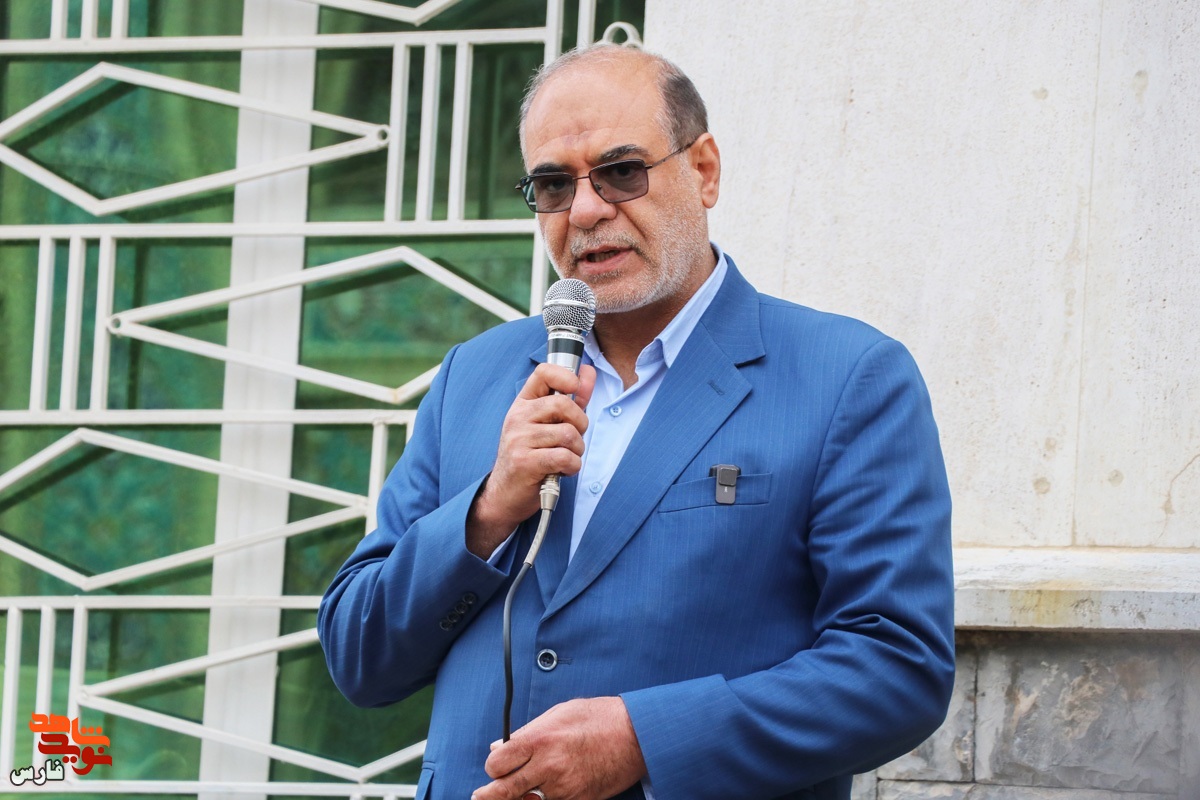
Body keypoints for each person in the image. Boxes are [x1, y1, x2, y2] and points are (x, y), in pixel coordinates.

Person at [318, 43, 955, 800]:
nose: (587, 210)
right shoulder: (474, 377)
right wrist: (487, 513)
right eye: (554, 185)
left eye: (621, 171)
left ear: (704, 170)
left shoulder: (846, 377)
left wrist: (645, 738)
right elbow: (359, 658)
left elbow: (896, 668)